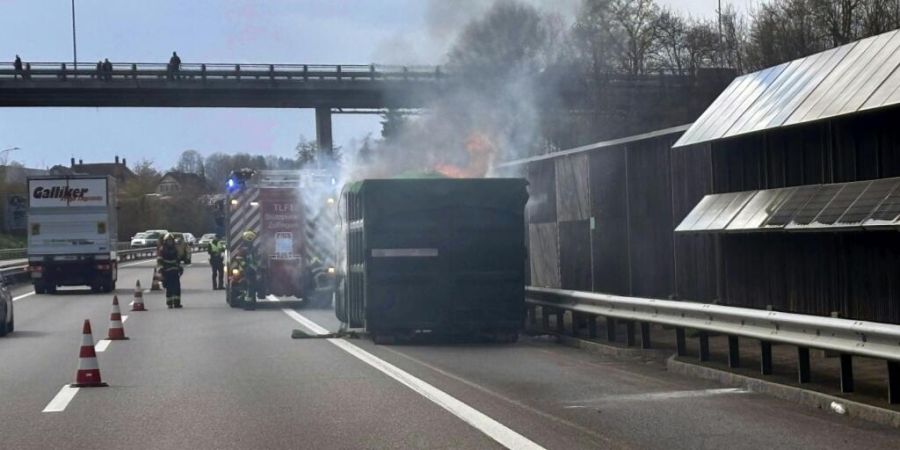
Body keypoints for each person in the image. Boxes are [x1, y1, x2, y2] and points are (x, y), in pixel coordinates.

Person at [157, 233, 183, 308]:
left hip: (175, 271)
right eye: (168, 240)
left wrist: (180, 268)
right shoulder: (162, 249)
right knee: (169, 288)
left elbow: (178, 260)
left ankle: (177, 303)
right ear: (165, 241)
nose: (170, 242)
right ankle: (169, 303)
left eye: (171, 240)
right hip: (166, 271)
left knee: (177, 287)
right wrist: (161, 270)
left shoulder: (175, 249)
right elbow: (159, 260)